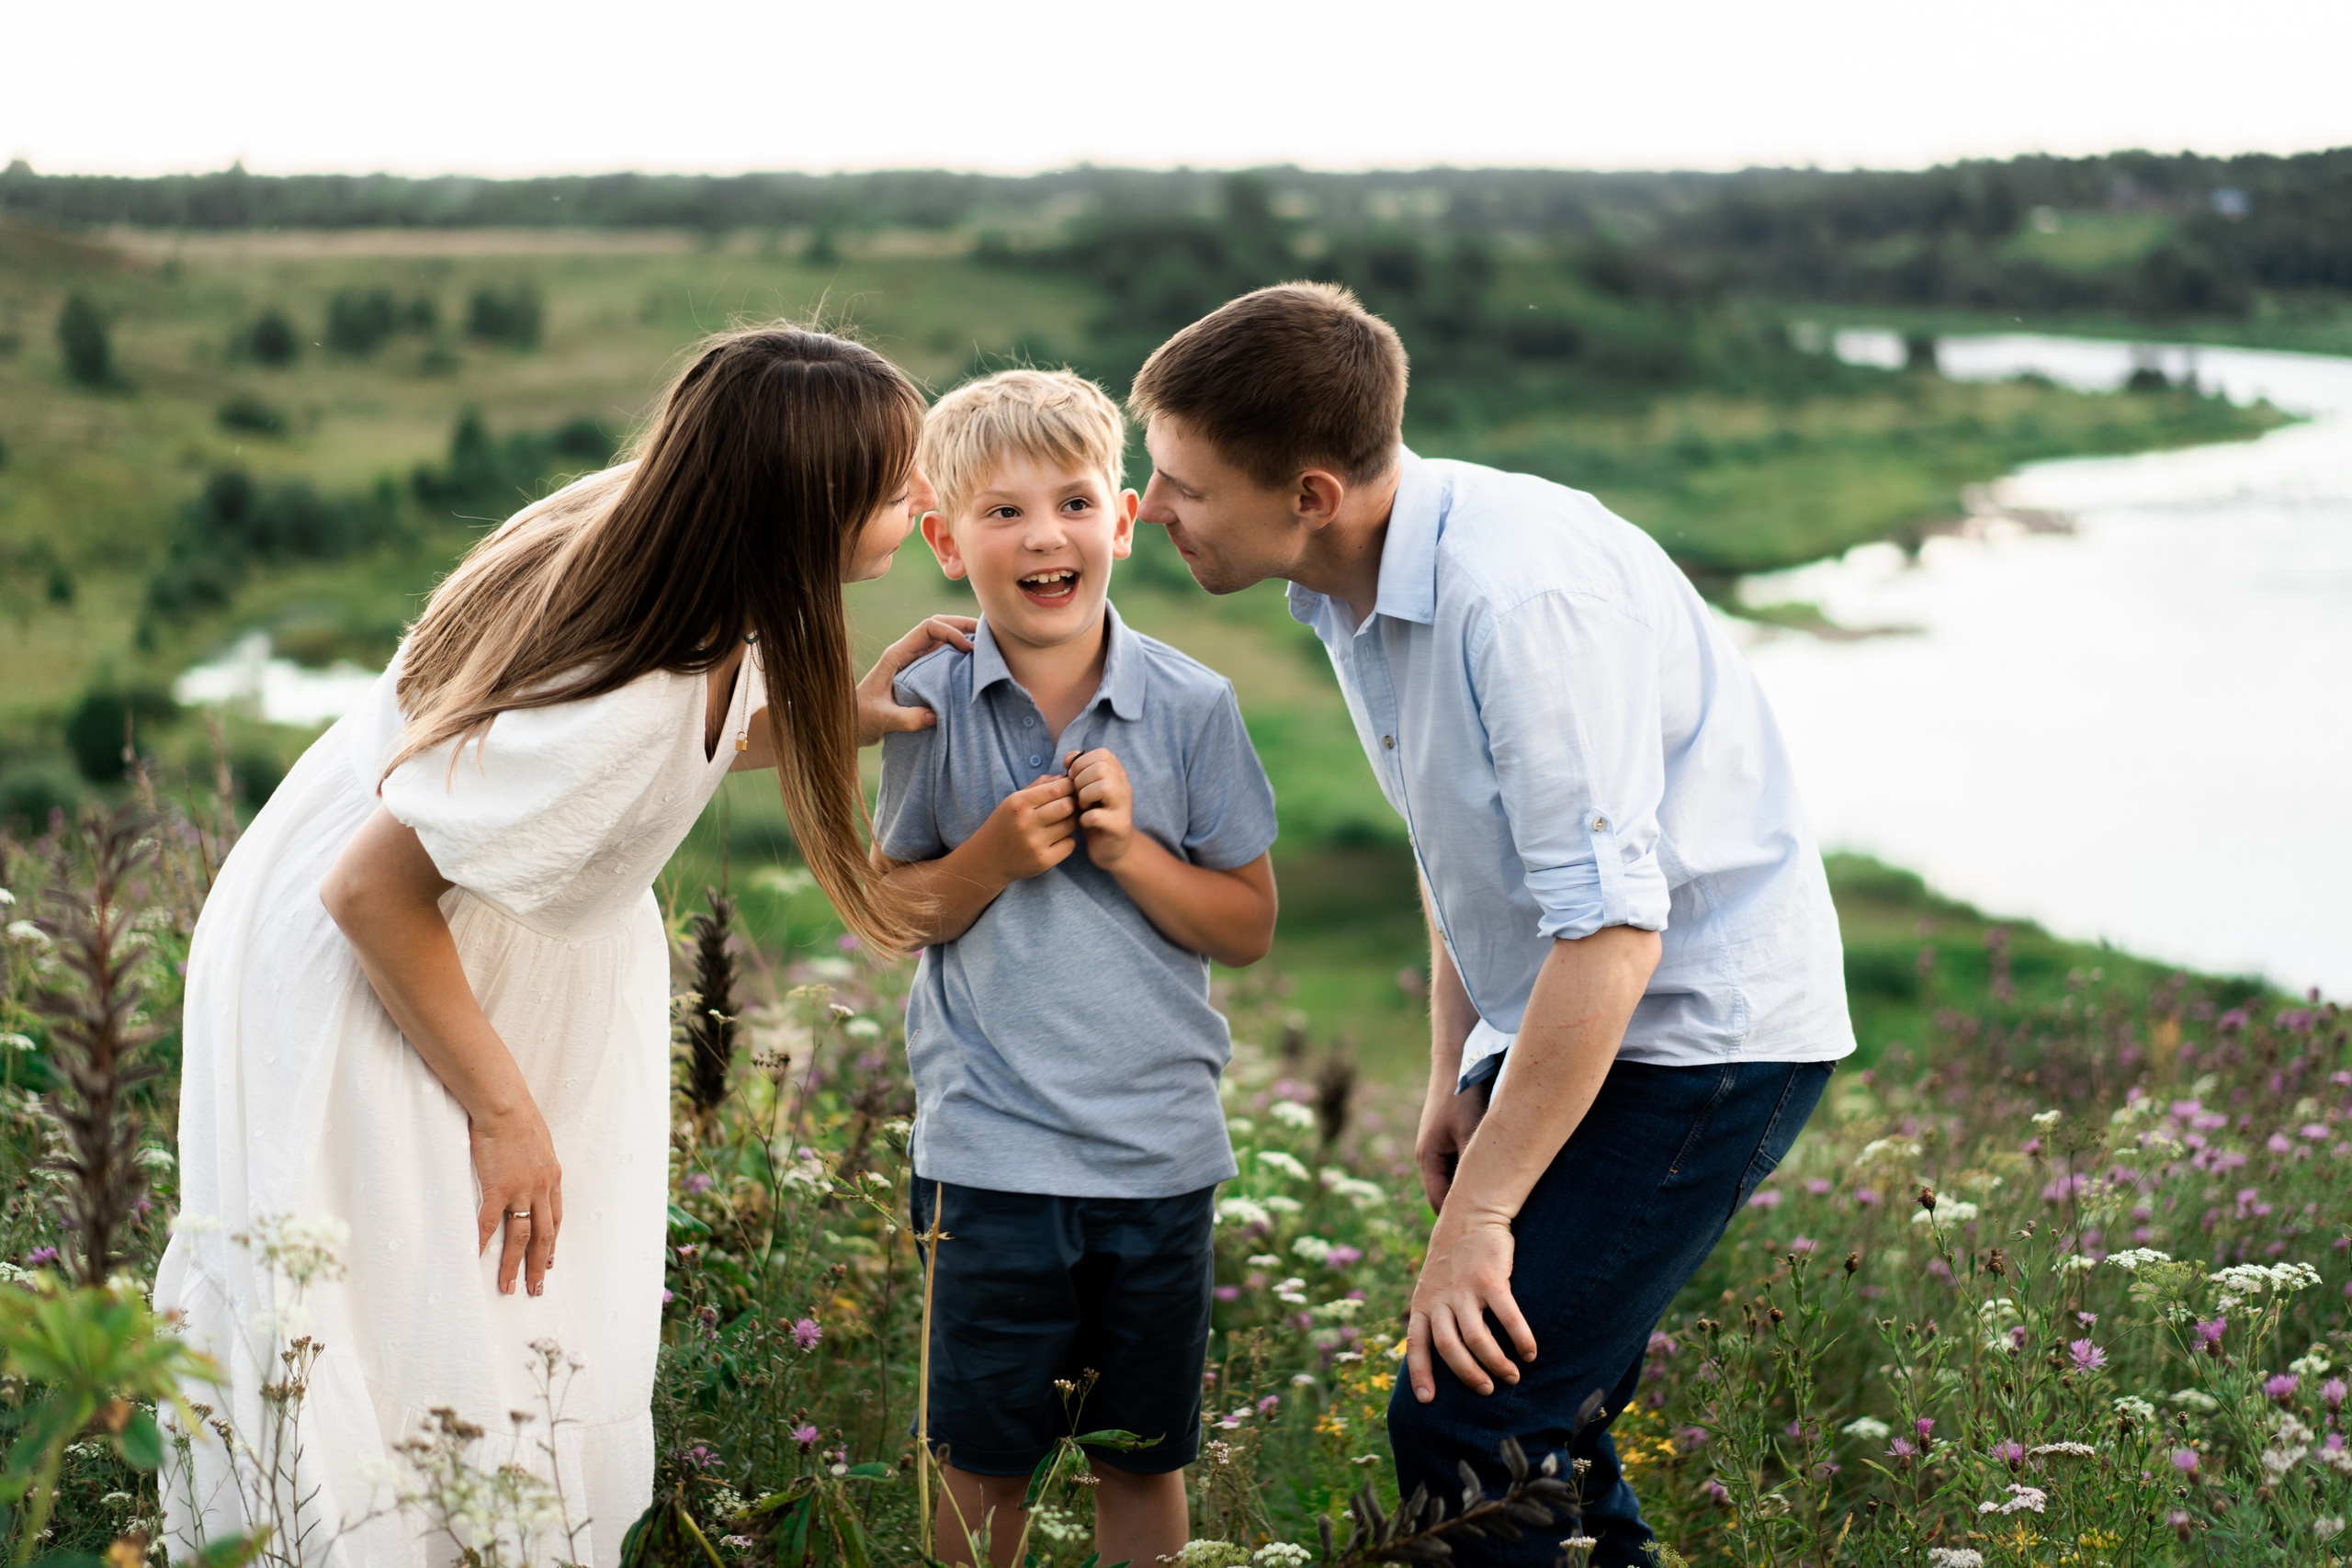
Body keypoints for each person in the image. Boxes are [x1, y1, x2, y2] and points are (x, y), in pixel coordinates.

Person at [157, 324, 975, 1568]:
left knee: (489, 1324)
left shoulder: (670, 542)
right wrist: (505, 1112)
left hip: (462, 932)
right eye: (894, 482)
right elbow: (374, 887)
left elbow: (650, 744)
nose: (924, 498)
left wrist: (821, 715)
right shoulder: (624, 690)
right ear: (797, 512)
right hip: (391, 964)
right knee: (407, 1322)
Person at [1127, 285, 1855, 1566]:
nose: (1148, 512)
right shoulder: (1351, 582)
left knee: (1478, 1417)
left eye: (1180, 484)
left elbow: (1617, 936)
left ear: (1308, 493)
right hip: (1580, 1021)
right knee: (1533, 1418)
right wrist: (1459, 1068)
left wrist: (1480, 1217)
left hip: (1701, 1040)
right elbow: (1459, 844)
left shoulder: (1519, 602)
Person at [871, 369, 1281, 1568]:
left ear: (1126, 522)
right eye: (1002, 513)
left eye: (1072, 502)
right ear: (947, 541)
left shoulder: (1195, 706)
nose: (1044, 534)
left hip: (1157, 1159)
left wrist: (1136, 854)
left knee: (1138, 1459)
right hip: (988, 1160)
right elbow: (897, 911)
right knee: (980, 1465)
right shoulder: (924, 705)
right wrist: (993, 857)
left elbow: (1247, 925)